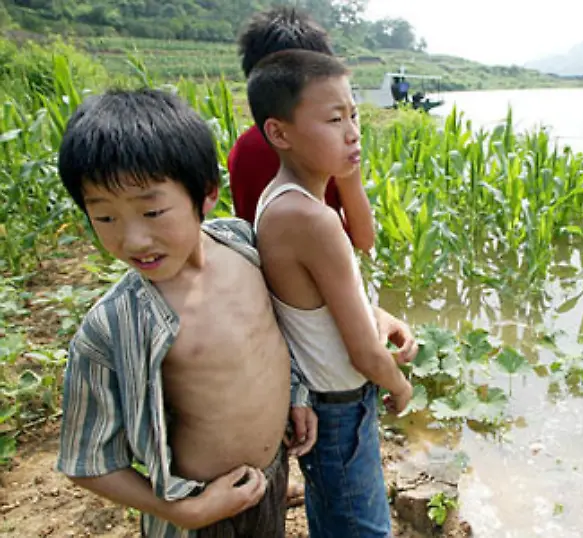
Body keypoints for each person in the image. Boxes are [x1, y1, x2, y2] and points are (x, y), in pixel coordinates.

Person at [53, 88, 418, 537]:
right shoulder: (114, 325)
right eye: (104, 218)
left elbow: (289, 324)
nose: (133, 240)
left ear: (207, 194)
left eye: (152, 211)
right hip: (201, 513)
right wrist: (185, 512)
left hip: (271, 481)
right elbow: (87, 462)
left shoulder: (244, 246)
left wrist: (298, 395)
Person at [247, 49, 414, 538]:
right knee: (362, 528)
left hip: (325, 404)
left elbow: (316, 308)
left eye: (355, 114)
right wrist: (400, 387)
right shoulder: (310, 219)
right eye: (334, 118)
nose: (353, 131)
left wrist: (378, 316)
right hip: (339, 407)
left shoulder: (283, 201)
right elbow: (363, 352)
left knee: (335, 518)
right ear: (279, 133)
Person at [228, 7, 375, 253]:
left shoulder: (242, 150)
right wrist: (350, 177)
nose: (352, 132)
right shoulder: (323, 152)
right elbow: (363, 240)